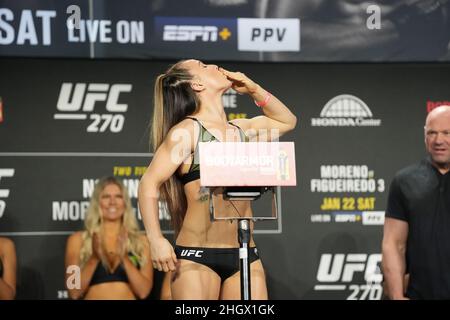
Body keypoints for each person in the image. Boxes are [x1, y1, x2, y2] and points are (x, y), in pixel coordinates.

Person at [138, 59, 297, 299]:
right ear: (198, 84)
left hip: (245, 253)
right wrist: (155, 239)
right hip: (197, 255)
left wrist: (254, 89)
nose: (213, 65)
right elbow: (148, 184)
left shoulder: (242, 130)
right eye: (203, 66)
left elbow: (287, 121)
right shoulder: (188, 131)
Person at [382, 105, 450, 299]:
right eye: (432, 133)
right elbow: (393, 244)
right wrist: (396, 296)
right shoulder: (405, 181)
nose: (439, 140)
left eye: (447, 132)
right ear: (424, 136)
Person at [65, 176, 153, 300]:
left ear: (125, 202)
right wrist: (94, 259)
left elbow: (143, 291)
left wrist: (124, 258)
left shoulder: (141, 241)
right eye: (106, 197)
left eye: (118, 196)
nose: (112, 202)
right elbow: (73, 291)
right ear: (97, 202)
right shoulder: (77, 240)